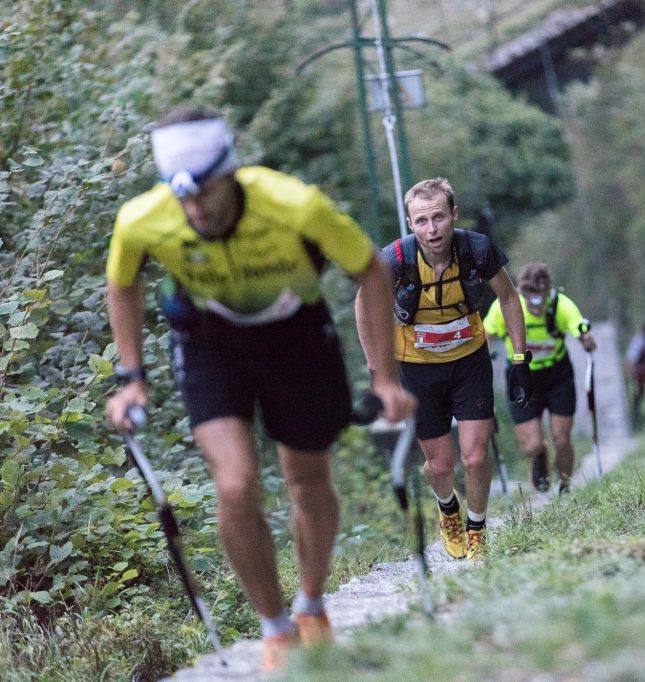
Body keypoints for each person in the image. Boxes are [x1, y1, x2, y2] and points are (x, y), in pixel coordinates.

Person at [103, 106, 416, 672]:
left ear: (231, 171)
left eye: (206, 192)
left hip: (296, 337)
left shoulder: (294, 204)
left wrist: (386, 379)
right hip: (210, 343)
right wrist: (131, 378)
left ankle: (312, 605)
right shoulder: (142, 219)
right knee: (236, 484)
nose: (196, 209)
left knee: (306, 477)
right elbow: (122, 283)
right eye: (183, 198)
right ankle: (275, 631)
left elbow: (369, 268)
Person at [358, 177, 530, 563]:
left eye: (438, 217)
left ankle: (477, 530)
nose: (431, 229)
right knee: (438, 465)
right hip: (416, 369)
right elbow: (363, 305)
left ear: (453, 215)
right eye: (421, 221)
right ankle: (448, 508)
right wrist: (378, 370)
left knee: (474, 455)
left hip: (469, 360)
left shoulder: (476, 249)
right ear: (409, 223)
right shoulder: (395, 260)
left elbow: (508, 296)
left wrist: (521, 360)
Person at [483, 262, 596, 495]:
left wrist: (586, 338)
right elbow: (487, 333)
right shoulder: (508, 305)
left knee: (561, 437)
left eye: (541, 297)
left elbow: (579, 327)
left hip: (557, 375)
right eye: (530, 297)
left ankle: (565, 486)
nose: (536, 304)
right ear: (522, 293)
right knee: (532, 444)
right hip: (523, 376)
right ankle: (540, 454)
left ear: (549, 292)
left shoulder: (560, 306)